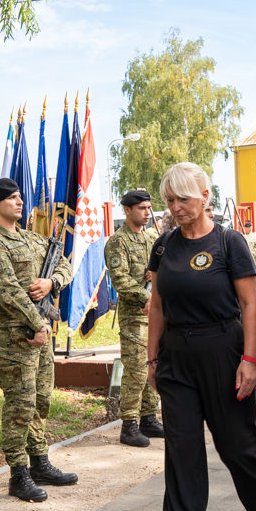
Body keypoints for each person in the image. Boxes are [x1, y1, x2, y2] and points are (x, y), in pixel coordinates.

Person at [147, 162, 256, 511]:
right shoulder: (164, 246)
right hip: (177, 358)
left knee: (236, 445)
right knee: (182, 453)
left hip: (223, 350)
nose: (176, 207)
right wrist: (152, 359)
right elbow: (157, 306)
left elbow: (249, 305)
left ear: (205, 196)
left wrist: (250, 360)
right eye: (170, 200)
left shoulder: (229, 242)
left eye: (183, 199)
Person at [0, 178, 78, 503]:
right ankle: (18, 474)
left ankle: (40, 462)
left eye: (20, 197)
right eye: (12, 198)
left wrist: (51, 283)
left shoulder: (32, 238)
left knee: (41, 399)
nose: (20, 202)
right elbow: (7, 292)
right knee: (20, 405)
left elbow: (64, 265)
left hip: (40, 334)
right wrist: (38, 324)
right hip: (15, 338)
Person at [104, 188, 163, 448]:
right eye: (142, 208)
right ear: (127, 210)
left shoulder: (152, 239)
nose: (147, 212)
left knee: (155, 364)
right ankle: (128, 424)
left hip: (156, 316)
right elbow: (120, 279)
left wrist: (157, 274)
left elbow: (164, 266)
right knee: (137, 369)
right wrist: (145, 295)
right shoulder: (118, 242)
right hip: (134, 317)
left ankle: (148, 417)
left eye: (149, 208)